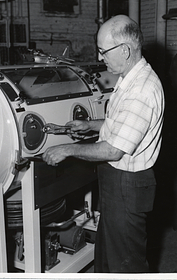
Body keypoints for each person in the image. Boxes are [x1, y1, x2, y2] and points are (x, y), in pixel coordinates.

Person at [42, 15, 165, 273]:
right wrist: (91, 125)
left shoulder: (141, 90)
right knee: (109, 257)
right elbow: (121, 125)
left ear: (125, 50)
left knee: (127, 265)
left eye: (102, 51)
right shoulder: (130, 77)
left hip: (127, 186)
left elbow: (113, 149)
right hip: (117, 184)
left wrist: (67, 149)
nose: (100, 58)